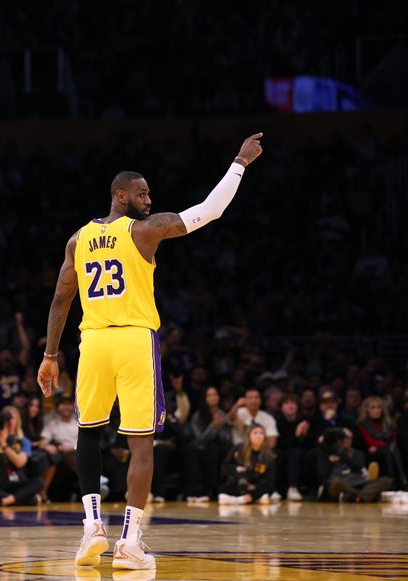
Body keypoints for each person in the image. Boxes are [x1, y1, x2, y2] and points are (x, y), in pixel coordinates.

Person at [37, 133, 263, 569]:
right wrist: (239, 162)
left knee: (89, 432)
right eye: (140, 192)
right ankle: (129, 543)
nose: (148, 197)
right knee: (142, 445)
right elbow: (210, 211)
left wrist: (50, 355)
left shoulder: (77, 239)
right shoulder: (144, 230)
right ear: (119, 195)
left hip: (93, 341)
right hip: (134, 340)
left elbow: (61, 300)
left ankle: (91, 530)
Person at [0, 411, 44, 506]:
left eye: (7, 423)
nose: (3, 427)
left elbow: (20, 463)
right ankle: (23, 499)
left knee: (39, 482)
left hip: (18, 481)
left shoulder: (23, 441)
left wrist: (4, 445)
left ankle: (1, 501)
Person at [181, 386, 232, 502]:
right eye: (209, 395)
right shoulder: (197, 416)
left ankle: (214, 490)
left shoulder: (223, 415)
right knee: (193, 451)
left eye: (215, 394)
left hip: (217, 448)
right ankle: (195, 492)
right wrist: (213, 426)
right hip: (200, 448)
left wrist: (219, 428)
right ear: (204, 398)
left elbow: (227, 439)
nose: (213, 397)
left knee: (215, 450)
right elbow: (200, 439)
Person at [218, 424, 278, 505]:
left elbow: (270, 478)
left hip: (257, 485)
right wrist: (236, 469)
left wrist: (254, 486)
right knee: (224, 488)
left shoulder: (268, 455)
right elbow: (225, 466)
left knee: (268, 488)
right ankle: (257, 498)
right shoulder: (239, 449)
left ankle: (241, 500)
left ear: (264, 437)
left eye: (261, 433)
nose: (258, 436)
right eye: (255, 433)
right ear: (249, 436)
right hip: (241, 483)